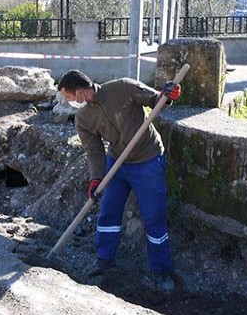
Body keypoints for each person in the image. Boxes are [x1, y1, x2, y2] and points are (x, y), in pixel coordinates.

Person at [57, 70, 181, 292]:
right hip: (117, 163)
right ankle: (105, 260)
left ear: (79, 93)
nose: (69, 102)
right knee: (108, 212)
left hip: (148, 160)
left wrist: (169, 93)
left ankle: (160, 270)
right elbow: (93, 151)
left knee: (154, 216)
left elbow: (157, 100)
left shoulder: (123, 87)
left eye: (68, 97)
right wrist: (96, 179)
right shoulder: (83, 118)